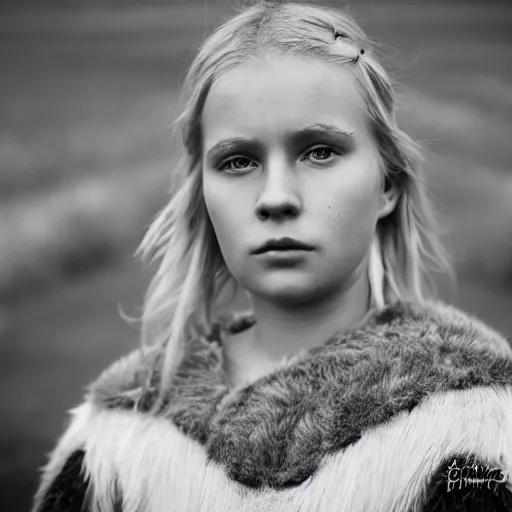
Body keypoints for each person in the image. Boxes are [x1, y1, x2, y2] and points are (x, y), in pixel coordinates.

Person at [32, 1, 512, 511]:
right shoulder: (116, 436)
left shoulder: (470, 426)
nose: (275, 197)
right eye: (238, 161)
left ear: (388, 183)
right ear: (202, 194)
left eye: (320, 151)